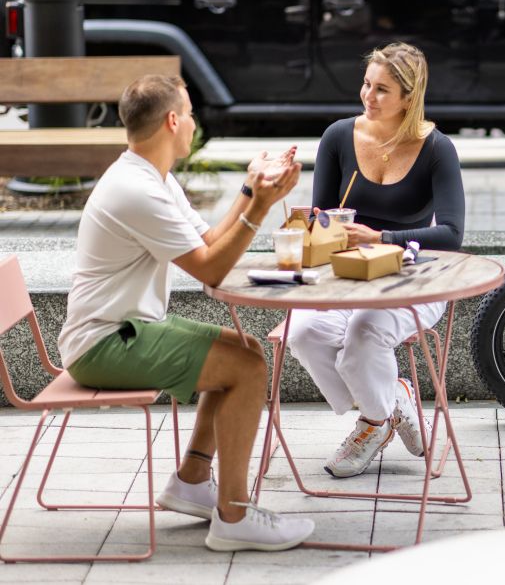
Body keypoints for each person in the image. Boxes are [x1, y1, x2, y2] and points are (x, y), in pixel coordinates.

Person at [58, 75, 315, 552]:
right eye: (192, 113)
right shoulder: (136, 190)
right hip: (105, 343)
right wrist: (260, 206)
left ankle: (193, 480)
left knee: (245, 350)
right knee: (248, 368)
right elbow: (212, 271)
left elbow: (209, 242)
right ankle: (235, 517)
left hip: (125, 329)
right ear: (174, 121)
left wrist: (250, 187)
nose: (195, 122)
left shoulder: (151, 177)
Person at [287, 42, 465, 478]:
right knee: (303, 332)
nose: (368, 96)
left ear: (409, 97)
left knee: (365, 333)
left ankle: (371, 424)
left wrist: (382, 236)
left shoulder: (436, 148)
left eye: (382, 89)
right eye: (366, 84)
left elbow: (451, 234)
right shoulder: (337, 137)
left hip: (415, 280)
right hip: (350, 278)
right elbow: (323, 220)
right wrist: (302, 218)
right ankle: (389, 405)